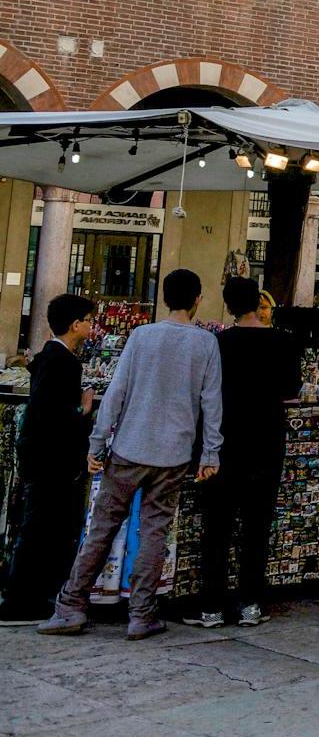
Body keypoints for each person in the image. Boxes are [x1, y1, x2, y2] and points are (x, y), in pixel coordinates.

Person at [41, 269, 222, 640]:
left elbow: (117, 393)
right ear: (197, 300)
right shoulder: (205, 344)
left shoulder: (142, 336)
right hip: (173, 454)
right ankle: (141, 615)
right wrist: (210, 454)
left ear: (165, 298)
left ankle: (72, 606)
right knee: (153, 532)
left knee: (102, 528)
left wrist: (96, 444)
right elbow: (211, 402)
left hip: (128, 448)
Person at [184, 276, 304, 629]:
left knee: (217, 527)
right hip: (266, 442)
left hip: (223, 442)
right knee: (256, 526)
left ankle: (211, 606)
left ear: (228, 306)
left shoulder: (216, 343)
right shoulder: (283, 342)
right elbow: (291, 389)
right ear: (257, 304)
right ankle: (250, 602)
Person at [0, 295, 97, 625]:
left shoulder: (50, 357)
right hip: (51, 460)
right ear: (75, 325)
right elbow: (54, 415)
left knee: (39, 527)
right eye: (88, 320)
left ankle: (26, 596)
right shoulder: (64, 362)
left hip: (41, 457)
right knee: (40, 529)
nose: (91, 326)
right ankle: (20, 601)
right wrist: (82, 410)